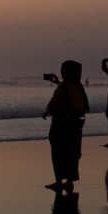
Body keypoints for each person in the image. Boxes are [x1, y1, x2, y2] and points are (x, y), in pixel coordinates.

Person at [43, 60, 89, 193]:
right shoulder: (78, 86)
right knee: (73, 154)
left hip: (62, 124)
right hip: (76, 125)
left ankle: (58, 181)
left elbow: (54, 101)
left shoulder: (63, 87)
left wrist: (46, 111)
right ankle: (70, 181)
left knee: (58, 152)